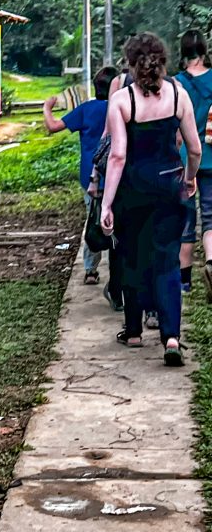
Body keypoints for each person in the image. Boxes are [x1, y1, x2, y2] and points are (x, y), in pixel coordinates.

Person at [101, 33, 201, 366]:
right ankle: (171, 336)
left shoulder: (121, 100)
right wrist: (189, 178)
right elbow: (195, 148)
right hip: (170, 186)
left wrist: (106, 203)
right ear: (162, 61)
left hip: (133, 191)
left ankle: (132, 331)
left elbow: (117, 156)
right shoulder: (178, 96)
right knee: (168, 261)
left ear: (130, 63)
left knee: (132, 255)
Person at [43, 65, 118, 285]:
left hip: (90, 177)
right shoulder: (123, 107)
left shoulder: (86, 109)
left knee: (94, 219)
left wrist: (47, 108)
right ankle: (118, 268)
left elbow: (53, 126)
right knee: (118, 222)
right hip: (117, 175)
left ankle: (90, 270)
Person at [175, 29, 212, 299]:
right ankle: (211, 262)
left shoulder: (176, 83)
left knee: (185, 220)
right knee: (211, 216)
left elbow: (176, 129)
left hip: (185, 160)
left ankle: (184, 281)